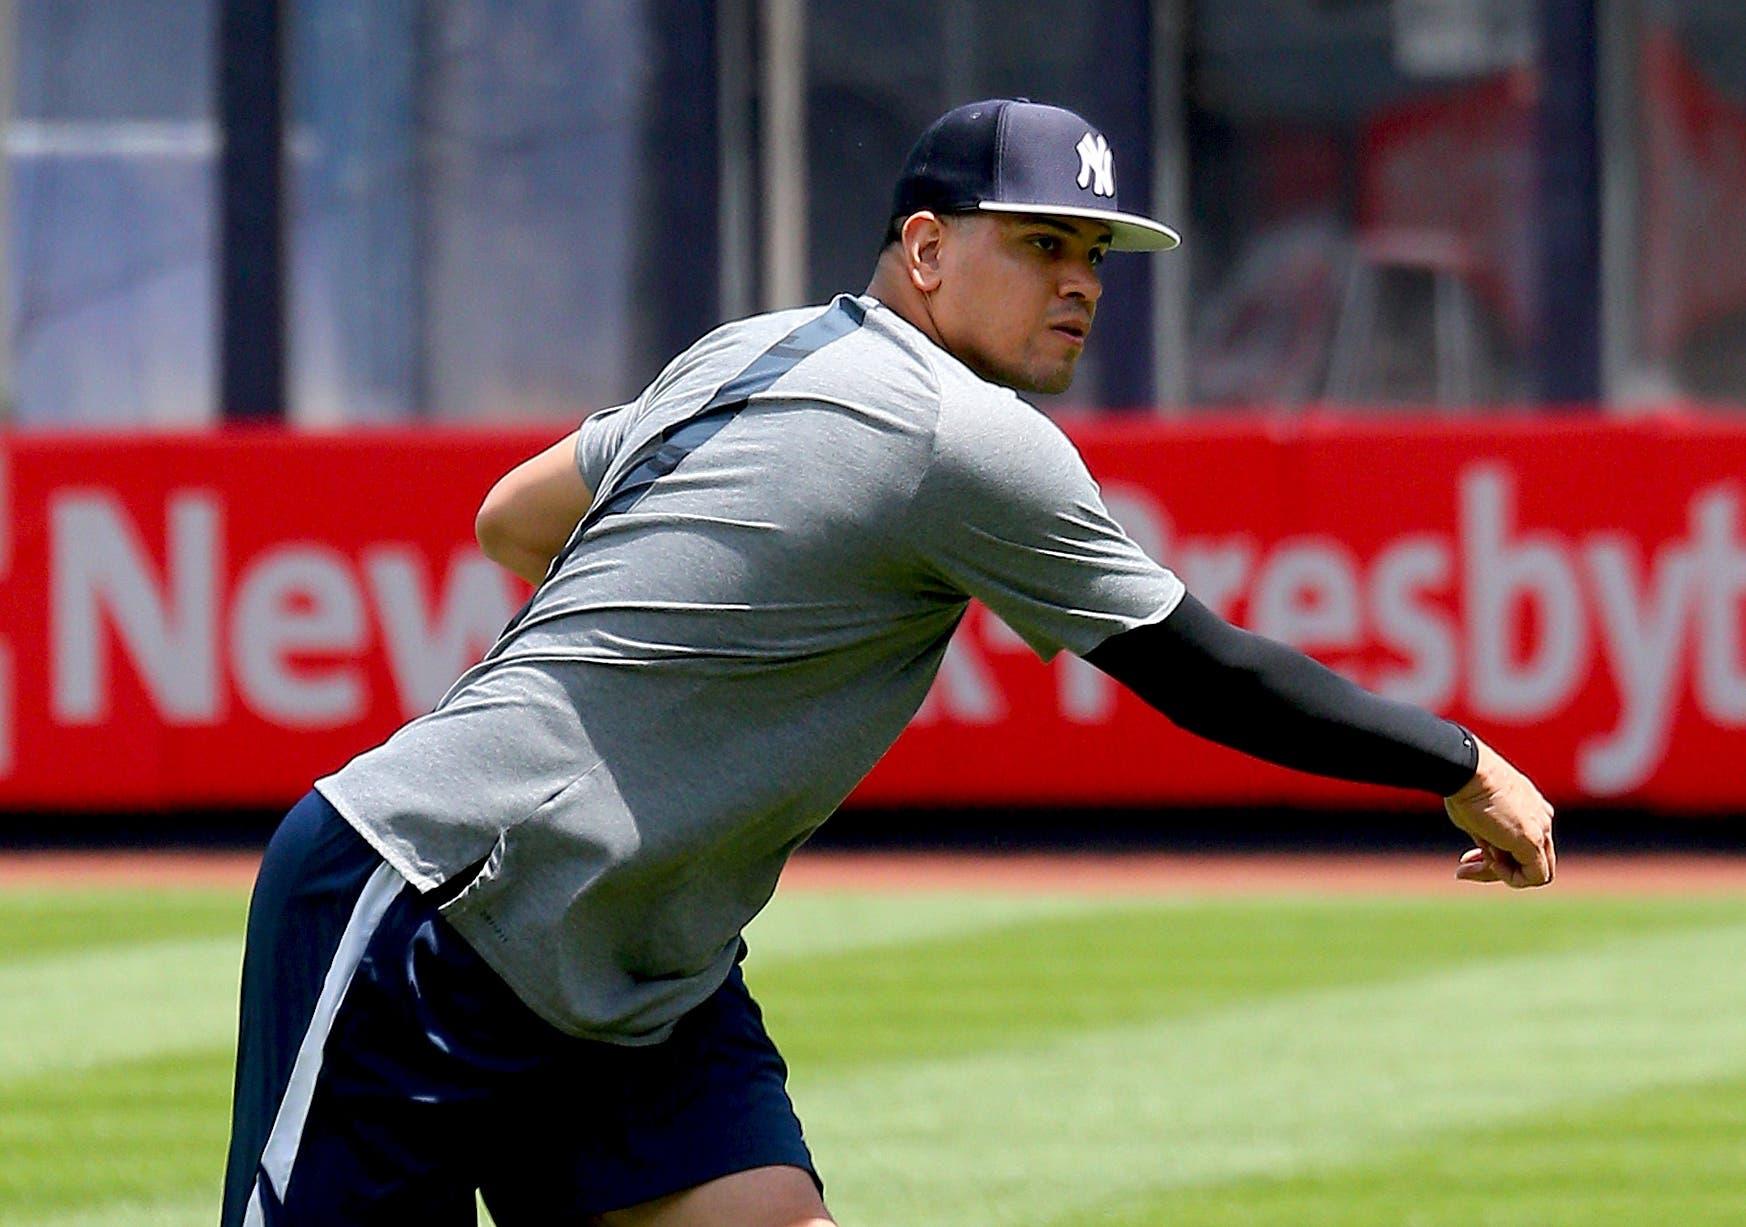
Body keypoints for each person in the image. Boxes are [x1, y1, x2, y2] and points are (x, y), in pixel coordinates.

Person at [220, 98, 1553, 1227]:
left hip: (642, 967)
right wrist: (1458, 760)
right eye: (1039, 245)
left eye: (1093, 252)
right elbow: (1204, 673)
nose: (1079, 280)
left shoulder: (754, 345)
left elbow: (511, 517)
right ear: (924, 248)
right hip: (431, 909)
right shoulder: (959, 436)